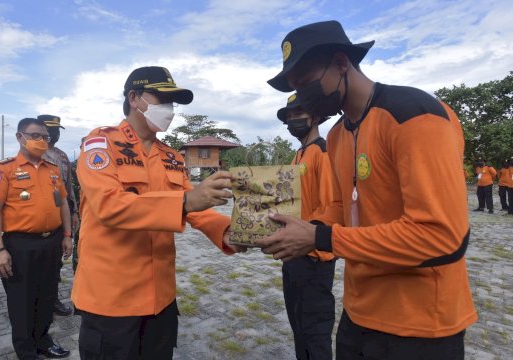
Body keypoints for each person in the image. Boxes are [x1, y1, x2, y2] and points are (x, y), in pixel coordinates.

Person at [261, 20, 476, 359]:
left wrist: (321, 239)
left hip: (420, 326)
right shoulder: (338, 135)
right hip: (359, 316)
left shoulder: (413, 115)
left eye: (305, 83)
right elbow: (341, 208)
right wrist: (298, 229)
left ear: (341, 63)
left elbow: (443, 238)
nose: (303, 97)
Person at [72, 66, 244, 360]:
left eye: (172, 102)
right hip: (111, 299)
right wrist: (186, 202)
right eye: (162, 99)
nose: (169, 109)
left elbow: (196, 210)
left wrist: (231, 232)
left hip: (160, 297)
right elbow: (109, 207)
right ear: (135, 98)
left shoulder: (172, 157)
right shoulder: (101, 145)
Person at [0, 117, 72, 359]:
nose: (42, 141)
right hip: (20, 245)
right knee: (21, 302)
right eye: (35, 136)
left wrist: (67, 235)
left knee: (46, 296)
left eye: (44, 137)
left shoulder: (53, 170)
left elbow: (63, 203)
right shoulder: (5, 169)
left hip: (52, 242)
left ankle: (43, 340)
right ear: (20, 137)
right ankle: (26, 351)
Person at [277, 93, 336, 359]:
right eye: (289, 116)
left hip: (315, 256)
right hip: (293, 251)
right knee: (298, 325)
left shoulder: (323, 153)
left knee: (315, 330)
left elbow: (331, 206)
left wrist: (313, 238)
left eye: (298, 114)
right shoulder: (298, 154)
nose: (293, 120)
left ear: (316, 117)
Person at [39, 114, 78, 317]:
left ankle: (52, 299)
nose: (54, 134)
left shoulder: (62, 157)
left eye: (56, 131)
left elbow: (69, 189)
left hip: (59, 217)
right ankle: (36, 303)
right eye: (50, 129)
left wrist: (74, 213)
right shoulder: (31, 154)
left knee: (55, 262)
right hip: (36, 220)